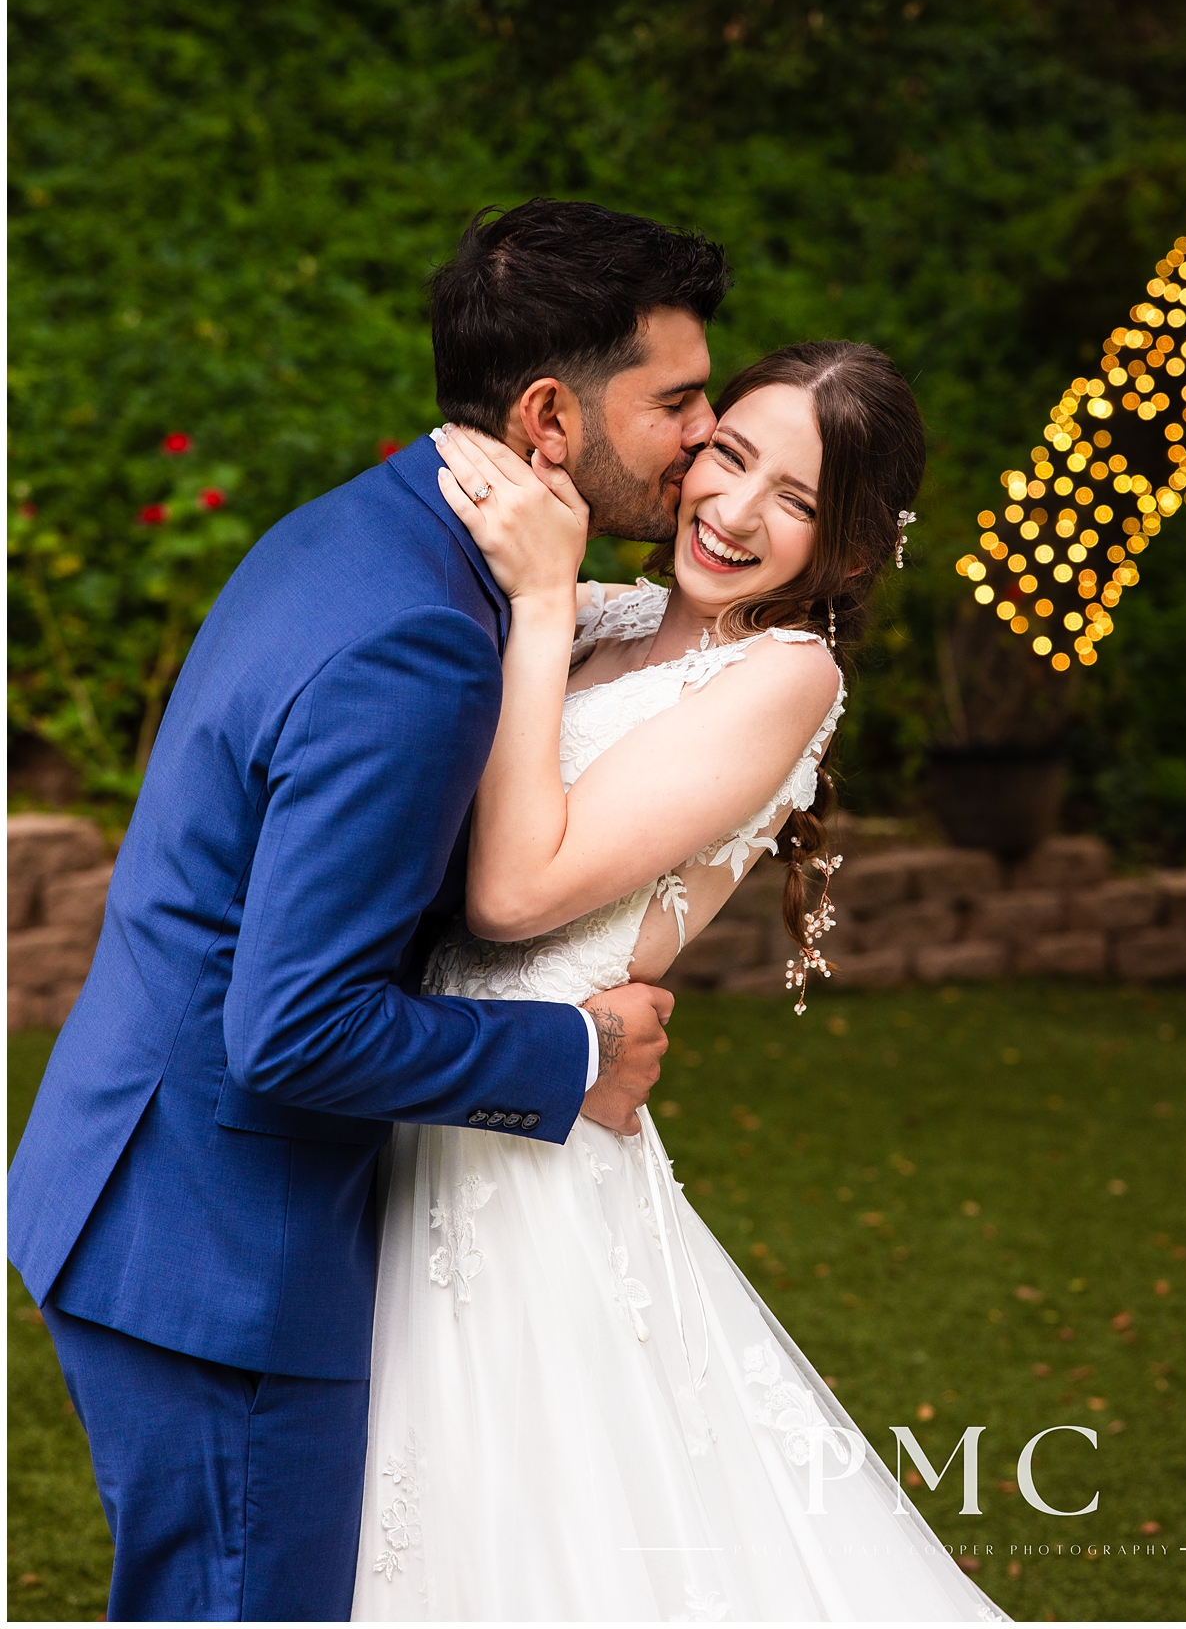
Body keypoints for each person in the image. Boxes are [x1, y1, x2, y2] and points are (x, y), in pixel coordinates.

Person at [7, 199, 731, 1623]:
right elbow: (293, 1028)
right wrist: (572, 1057)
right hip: (214, 1255)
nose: (705, 435)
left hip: (147, 1188)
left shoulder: (369, 528)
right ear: (547, 419)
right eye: (679, 400)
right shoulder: (414, 644)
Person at [351, 344, 1008, 1623]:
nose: (738, 509)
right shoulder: (598, 618)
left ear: (852, 553)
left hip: (522, 1167)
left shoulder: (783, 677)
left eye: (800, 501)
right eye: (731, 453)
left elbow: (512, 895)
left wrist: (537, 604)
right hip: (415, 1087)